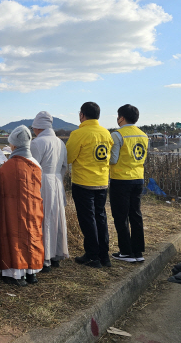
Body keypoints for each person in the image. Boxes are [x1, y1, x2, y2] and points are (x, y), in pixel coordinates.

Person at [0, 125, 44, 286]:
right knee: (32, 234)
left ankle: (14, 273)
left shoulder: (8, 167)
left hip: (13, 210)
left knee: (13, 235)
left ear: (14, 145)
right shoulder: (35, 163)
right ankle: (31, 273)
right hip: (33, 208)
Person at [66, 102, 114, 268]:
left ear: (82, 115)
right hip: (102, 182)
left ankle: (92, 256)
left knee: (88, 220)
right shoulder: (106, 133)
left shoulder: (78, 134)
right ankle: (104, 256)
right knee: (100, 217)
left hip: (83, 183)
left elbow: (69, 157)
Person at [31, 111, 69, 272]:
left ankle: (44, 257)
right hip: (57, 181)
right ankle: (56, 254)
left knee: (43, 218)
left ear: (37, 127)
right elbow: (64, 166)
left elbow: (32, 167)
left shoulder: (37, 143)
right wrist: (58, 178)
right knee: (56, 218)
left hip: (42, 182)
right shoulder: (60, 143)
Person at [109, 104, 148, 263]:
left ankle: (125, 251)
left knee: (121, 216)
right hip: (138, 178)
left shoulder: (117, 135)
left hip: (121, 180)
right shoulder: (144, 135)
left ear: (121, 117)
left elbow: (113, 159)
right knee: (135, 214)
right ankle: (138, 251)